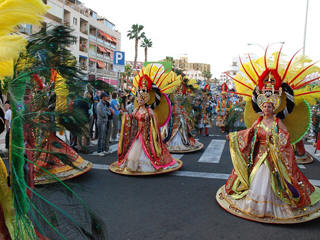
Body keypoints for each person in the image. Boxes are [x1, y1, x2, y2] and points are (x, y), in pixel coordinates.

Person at [217, 49, 320, 224]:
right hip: (259, 157)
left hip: (274, 158)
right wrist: (233, 136)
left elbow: (285, 137)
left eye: (270, 107)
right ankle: (255, 206)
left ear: (274, 109)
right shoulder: (257, 122)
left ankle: (274, 207)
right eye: (265, 107)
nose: (267, 109)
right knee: (256, 177)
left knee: (275, 181)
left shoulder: (279, 122)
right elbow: (248, 133)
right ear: (261, 108)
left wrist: (276, 142)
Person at [109, 64, 183, 175]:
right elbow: (131, 120)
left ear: (146, 100)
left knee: (147, 154)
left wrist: (150, 134)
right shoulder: (135, 110)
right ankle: (134, 166)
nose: (139, 101)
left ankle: (148, 165)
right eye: (138, 99)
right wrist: (125, 117)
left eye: (142, 99)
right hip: (137, 135)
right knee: (133, 154)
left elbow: (155, 125)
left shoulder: (150, 112)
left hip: (148, 137)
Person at [96, 92, 111, 156]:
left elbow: (109, 112)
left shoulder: (104, 104)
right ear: (103, 97)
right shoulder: (99, 104)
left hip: (105, 122)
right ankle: (99, 151)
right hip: (101, 122)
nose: (107, 98)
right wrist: (107, 113)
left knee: (104, 136)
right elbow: (103, 114)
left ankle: (103, 150)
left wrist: (107, 112)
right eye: (106, 96)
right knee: (101, 136)